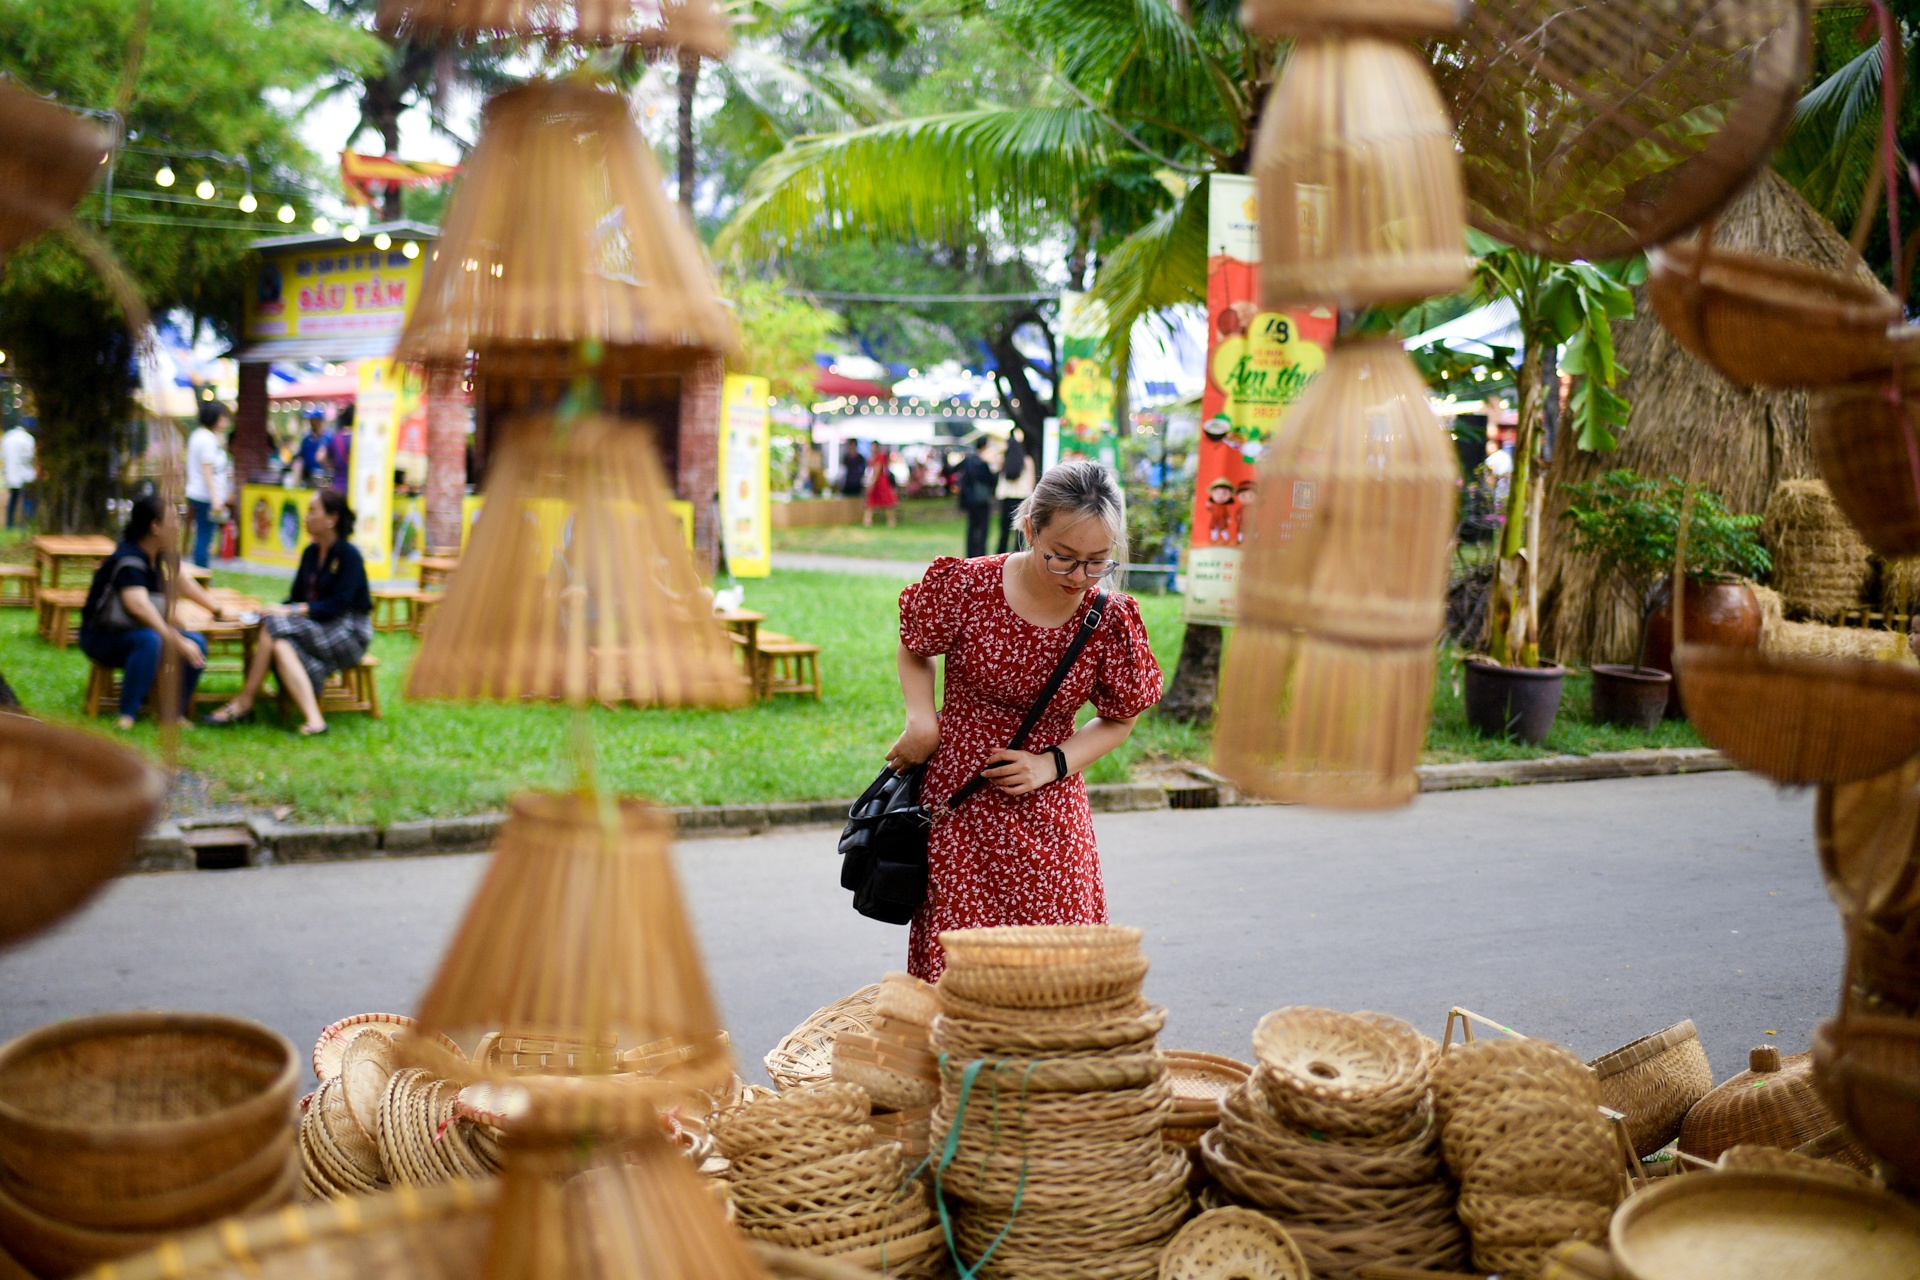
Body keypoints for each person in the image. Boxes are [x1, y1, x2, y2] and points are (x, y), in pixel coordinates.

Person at [886, 459, 1162, 979]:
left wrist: (1051, 764)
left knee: (1055, 969)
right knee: (960, 973)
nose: (1079, 577)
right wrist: (922, 721)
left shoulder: (1108, 619)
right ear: (1031, 527)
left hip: (1050, 816)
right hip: (957, 808)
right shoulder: (967, 586)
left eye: (1097, 561)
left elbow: (1120, 718)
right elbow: (915, 646)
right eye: (1062, 558)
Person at [204, 490, 372, 736]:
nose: (306, 517)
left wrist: (286, 611)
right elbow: (296, 597)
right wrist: (274, 608)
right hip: (318, 626)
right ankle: (315, 721)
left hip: (348, 631)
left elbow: (336, 605)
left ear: (331, 519)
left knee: (275, 625)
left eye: (312, 510)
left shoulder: (349, 556)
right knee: (281, 643)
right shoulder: (310, 553)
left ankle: (245, 702)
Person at [78, 495, 218, 730]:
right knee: (150, 641)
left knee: (197, 642)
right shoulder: (129, 560)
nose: (179, 527)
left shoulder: (160, 556)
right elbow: (139, 607)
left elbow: (182, 583)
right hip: (103, 636)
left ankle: (172, 713)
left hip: (137, 631)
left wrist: (217, 609)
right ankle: (127, 714)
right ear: (155, 526)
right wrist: (176, 640)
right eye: (173, 521)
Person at [184, 401, 230, 569]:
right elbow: (207, 470)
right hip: (205, 496)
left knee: (201, 535)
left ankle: (200, 570)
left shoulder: (197, 435)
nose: (226, 421)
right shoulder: (208, 440)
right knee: (204, 537)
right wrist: (215, 498)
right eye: (223, 417)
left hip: (195, 492)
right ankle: (201, 572)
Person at [954, 438, 997, 558]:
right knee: (983, 528)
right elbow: (992, 480)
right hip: (982, 499)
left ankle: (970, 553)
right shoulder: (984, 462)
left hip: (969, 499)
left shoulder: (968, 459)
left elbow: (952, 469)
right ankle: (981, 552)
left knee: (971, 527)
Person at [995, 434, 1036, 554]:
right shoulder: (1027, 460)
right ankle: (1017, 552)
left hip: (1006, 498)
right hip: (1022, 498)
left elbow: (990, 458)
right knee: (1020, 530)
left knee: (1004, 529)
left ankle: (1001, 553)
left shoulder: (1004, 460)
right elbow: (1031, 480)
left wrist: (1002, 448)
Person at [2, 421, 33, 529]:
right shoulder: (28, 439)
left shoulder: (7, 438)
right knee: (25, 500)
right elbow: (29, 457)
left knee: (13, 500)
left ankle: (10, 523)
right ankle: (25, 523)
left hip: (12, 475)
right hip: (25, 476)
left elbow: (3, 456)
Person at [293, 409, 332, 488]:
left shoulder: (329, 438)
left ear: (319, 421)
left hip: (325, 477)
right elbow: (299, 457)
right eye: (310, 420)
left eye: (313, 420)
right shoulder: (306, 439)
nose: (311, 423)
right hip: (308, 477)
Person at [864, 445, 899, 527]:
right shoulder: (872, 457)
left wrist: (871, 483)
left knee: (886, 502)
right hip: (875, 480)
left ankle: (891, 521)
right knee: (870, 502)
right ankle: (867, 521)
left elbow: (877, 469)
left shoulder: (880, 456)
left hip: (881, 482)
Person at [327, 404, 354, 495]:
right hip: (354, 488)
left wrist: (334, 465)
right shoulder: (359, 438)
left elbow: (320, 456)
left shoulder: (336, 438)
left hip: (337, 488)